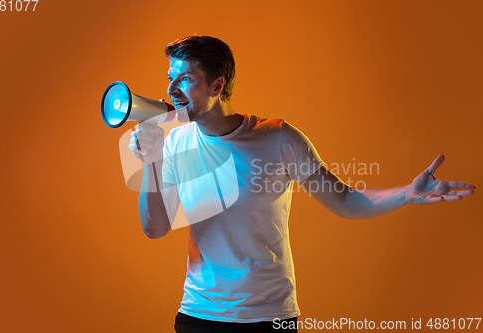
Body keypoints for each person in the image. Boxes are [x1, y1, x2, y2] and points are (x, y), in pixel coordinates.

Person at [128, 36, 476, 333]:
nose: (172, 90)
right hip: (199, 316)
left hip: (270, 316)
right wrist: (150, 160)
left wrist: (407, 194)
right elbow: (155, 227)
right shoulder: (172, 143)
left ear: (217, 86)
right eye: (170, 78)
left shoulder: (278, 137)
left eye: (185, 79)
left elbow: (345, 202)